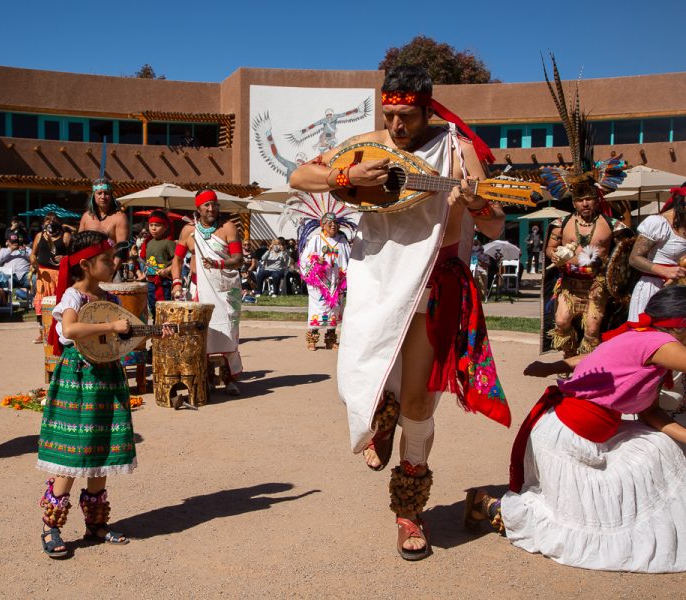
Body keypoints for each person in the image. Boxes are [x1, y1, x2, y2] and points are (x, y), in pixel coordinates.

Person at [290, 65, 511, 560]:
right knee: (359, 378)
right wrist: (342, 175)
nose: (396, 127)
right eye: (388, 115)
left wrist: (474, 203)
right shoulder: (369, 142)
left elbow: (495, 225)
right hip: (374, 281)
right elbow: (298, 175)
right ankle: (379, 419)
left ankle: (409, 511)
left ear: (428, 108)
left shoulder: (458, 150)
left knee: (417, 402)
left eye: (406, 116)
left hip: (432, 282)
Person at [465, 284, 686, 573]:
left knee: (662, 448)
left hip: (590, 436)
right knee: (573, 529)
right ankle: (487, 504)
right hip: (569, 442)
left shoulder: (643, 340)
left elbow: (650, 412)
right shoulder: (658, 343)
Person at [37, 230, 169, 559]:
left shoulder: (108, 300)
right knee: (73, 450)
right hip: (79, 380)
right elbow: (69, 330)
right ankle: (51, 526)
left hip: (107, 379)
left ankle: (96, 525)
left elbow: (123, 338)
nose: (113, 264)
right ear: (85, 264)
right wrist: (110, 327)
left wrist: (155, 333)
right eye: (107, 260)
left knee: (101, 448)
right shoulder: (73, 296)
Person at [540, 58, 629, 357]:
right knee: (562, 321)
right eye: (580, 199)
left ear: (597, 196)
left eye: (589, 197)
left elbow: (625, 250)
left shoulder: (612, 224)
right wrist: (557, 254)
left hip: (596, 285)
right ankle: (568, 364)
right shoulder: (561, 224)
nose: (585, 203)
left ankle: (588, 370)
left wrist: (612, 268)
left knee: (592, 329)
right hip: (569, 283)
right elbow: (549, 250)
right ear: (573, 200)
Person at [170, 189, 244, 395]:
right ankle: (208, 377)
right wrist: (177, 283)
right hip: (199, 289)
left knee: (229, 332)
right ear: (198, 208)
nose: (211, 209)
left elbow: (238, 259)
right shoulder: (188, 231)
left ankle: (229, 379)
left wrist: (218, 263)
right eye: (206, 205)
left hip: (226, 289)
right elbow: (176, 260)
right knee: (203, 333)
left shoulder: (228, 227)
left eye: (214, 204)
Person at [285, 193, 354, 350]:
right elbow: (304, 260)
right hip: (319, 282)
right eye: (329, 223)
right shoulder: (316, 240)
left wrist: (347, 275)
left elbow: (349, 260)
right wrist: (316, 262)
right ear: (322, 225)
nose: (333, 226)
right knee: (317, 308)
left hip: (336, 281)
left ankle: (330, 339)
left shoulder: (342, 241)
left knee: (334, 309)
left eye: (335, 223)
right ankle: (312, 339)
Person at [627, 184, 686, 321]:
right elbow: (634, 258)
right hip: (653, 288)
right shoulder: (658, 223)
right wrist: (664, 271)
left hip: (678, 291)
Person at [31, 212, 71, 343]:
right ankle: (42, 332)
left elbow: (74, 254)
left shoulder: (65, 236)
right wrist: (33, 262)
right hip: (43, 276)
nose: (50, 222)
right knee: (41, 303)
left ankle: (59, 332)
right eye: (47, 220)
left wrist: (65, 258)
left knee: (59, 303)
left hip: (60, 274)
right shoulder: (39, 236)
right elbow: (33, 254)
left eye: (53, 220)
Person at [78, 177, 130, 275]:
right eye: (99, 193)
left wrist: (111, 272)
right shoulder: (86, 217)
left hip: (110, 268)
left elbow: (122, 248)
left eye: (106, 193)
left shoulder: (120, 217)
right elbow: (78, 246)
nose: (103, 196)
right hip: (87, 270)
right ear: (94, 195)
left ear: (111, 196)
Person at [140, 210, 177, 319]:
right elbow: (146, 262)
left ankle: (165, 329)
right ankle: (157, 327)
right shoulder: (148, 242)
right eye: (151, 225)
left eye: (157, 225)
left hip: (164, 282)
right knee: (152, 307)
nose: (153, 228)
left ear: (165, 227)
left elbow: (178, 260)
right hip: (150, 281)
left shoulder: (169, 243)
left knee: (165, 307)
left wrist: (168, 270)